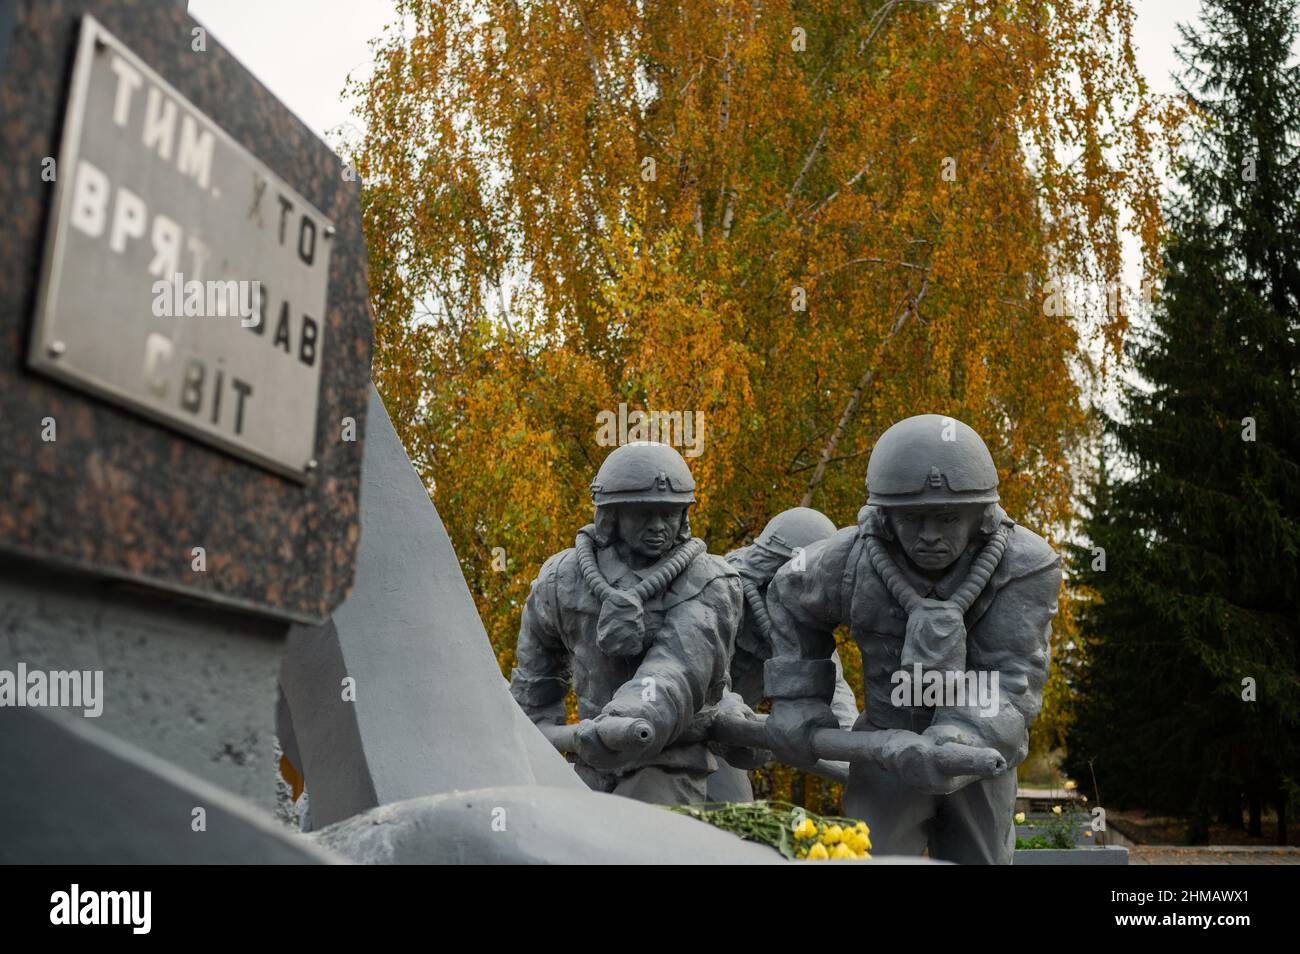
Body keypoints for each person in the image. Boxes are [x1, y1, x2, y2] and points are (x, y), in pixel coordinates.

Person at [763, 415, 1061, 863]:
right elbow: (788, 595)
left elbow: (1013, 679)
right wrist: (800, 701)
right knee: (873, 855)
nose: (929, 537)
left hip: (977, 755)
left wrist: (956, 741)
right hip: (884, 747)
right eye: (912, 519)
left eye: (946, 518)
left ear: (980, 516)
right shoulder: (848, 560)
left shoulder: (1025, 565)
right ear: (884, 517)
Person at [509, 441, 749, 805]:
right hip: (589, 765)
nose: (659, 527)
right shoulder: (562, 579)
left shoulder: (709, 581)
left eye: (669, 514)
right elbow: (534, 682)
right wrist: (530, 735)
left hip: (669, 763)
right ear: (612, 515)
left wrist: (623, 725)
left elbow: (675, 672)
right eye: (644, 514)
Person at [705, 507, 859, 802]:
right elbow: (697, 676)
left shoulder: (803, 626)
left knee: (735, 818)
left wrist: (873, 768)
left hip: (725, 739)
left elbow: (838, 706)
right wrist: (747, 722)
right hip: (669, 725)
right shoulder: (717, 590)